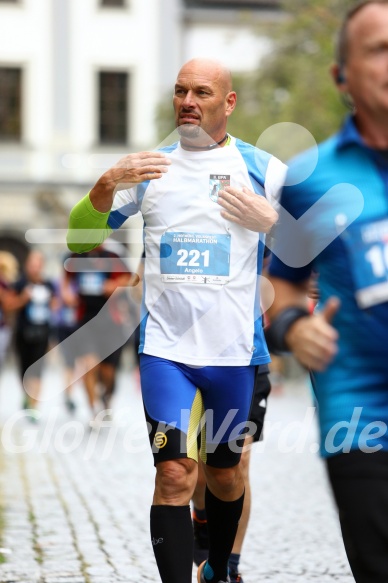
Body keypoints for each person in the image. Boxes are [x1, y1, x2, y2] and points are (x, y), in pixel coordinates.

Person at [67, 58, 286, 583]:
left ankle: (219, 565)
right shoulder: (149, 170)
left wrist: (270, 222)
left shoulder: (265, 169)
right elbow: (80, 240)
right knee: (173, 474)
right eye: (180, 91)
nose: (188, 100)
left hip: (234, 355)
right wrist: (103, 184)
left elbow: (317, 250)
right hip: (166, 353)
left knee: (225, 475)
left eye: (202, 92)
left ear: (227, 103)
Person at [222, 2, 388, 581]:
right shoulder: (312, 178)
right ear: (342, 76)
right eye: (377, 49)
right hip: (363, 412)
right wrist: (296, 327)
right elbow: (282, 292)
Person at [191, 366, 271, 583]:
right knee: (201, 471)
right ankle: (201, 519)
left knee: (239, 462)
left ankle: (230, 566)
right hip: (196, 361)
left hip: (249, 362)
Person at [62, 242, 136, 422]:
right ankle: (93, 410)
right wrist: (66, 294)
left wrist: (115, 284)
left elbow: (132, 278)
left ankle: (106, 400)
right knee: (89, 365)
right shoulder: (75, 257)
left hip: (111, 321)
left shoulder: (112, 257)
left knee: (108, 372)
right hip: (85, 320)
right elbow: (65, 280)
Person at [7, 250, 56, 416]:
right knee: (23, 369)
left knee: (37, 369)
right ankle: (27, 397)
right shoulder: (20, 284)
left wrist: (51, 300)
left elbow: (57, 305)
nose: (34, 268)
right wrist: (23, 298)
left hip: (42, 333)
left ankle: (34, 406)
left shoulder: (48, 285)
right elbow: (9, 306)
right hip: (23, 332)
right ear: (27, 265)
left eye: (38, 265)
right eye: (32, 265)